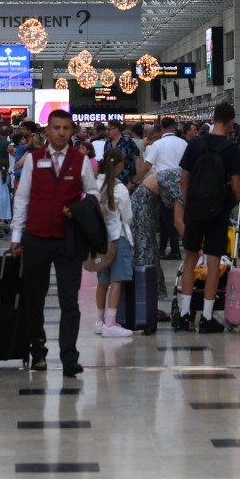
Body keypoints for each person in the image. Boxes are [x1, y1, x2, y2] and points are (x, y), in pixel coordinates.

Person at [9, 109, 91, 377]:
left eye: (66, 128)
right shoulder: (33, 160)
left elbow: (92, 196)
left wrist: (78, 210)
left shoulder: (81, 161)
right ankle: (38, 350)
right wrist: (16, 236)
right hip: (37, 237)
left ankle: (69, 356)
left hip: (68, 239)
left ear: (72, 131)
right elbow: (22, 198)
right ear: (47, 130)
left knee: (70, 301)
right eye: (56, 128)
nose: (61, 133)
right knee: (34, 298)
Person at [179, 103, 240, 333]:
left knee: (190, 259)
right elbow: (236, 185)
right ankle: (207, 317)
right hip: (217, 211)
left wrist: (188, 203)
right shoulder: (231, 149)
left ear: (212, 118)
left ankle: (184, 314)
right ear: (231, 122)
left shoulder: (195, 144)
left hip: (195, 208)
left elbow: (183, 178)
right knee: (213, 262)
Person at [92, 144, 137, 338]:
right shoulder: (120, 189)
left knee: (102, 281)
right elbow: (128, 217)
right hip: (118, 237)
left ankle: (99, 321)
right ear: (119, 165)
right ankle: (110, 324)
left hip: (100, 241)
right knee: (117, 280)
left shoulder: (94, 185)